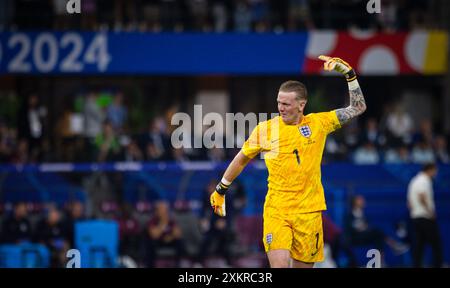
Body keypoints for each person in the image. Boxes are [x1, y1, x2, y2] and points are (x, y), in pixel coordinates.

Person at [210, 55, 367, 268]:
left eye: (286, 103)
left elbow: (358, 108)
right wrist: (221, 189)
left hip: (309, 212)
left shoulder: (319, 123)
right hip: (277, 209)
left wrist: (349, 76)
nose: (280, 107)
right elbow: (241, 158)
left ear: (301, 105)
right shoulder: (265, 129)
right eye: (278, 103)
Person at [407, 163, 443, 267]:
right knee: (436, 243)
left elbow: (409, 203)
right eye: (435, 170)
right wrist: (430, 212)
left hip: (416, 217)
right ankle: (437, 264)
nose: (436, 173)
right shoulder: (424, 180)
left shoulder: (414, 180)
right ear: (430, 169)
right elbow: (421, 196)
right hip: (425, 217)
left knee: (419, 244)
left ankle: (417, 265)